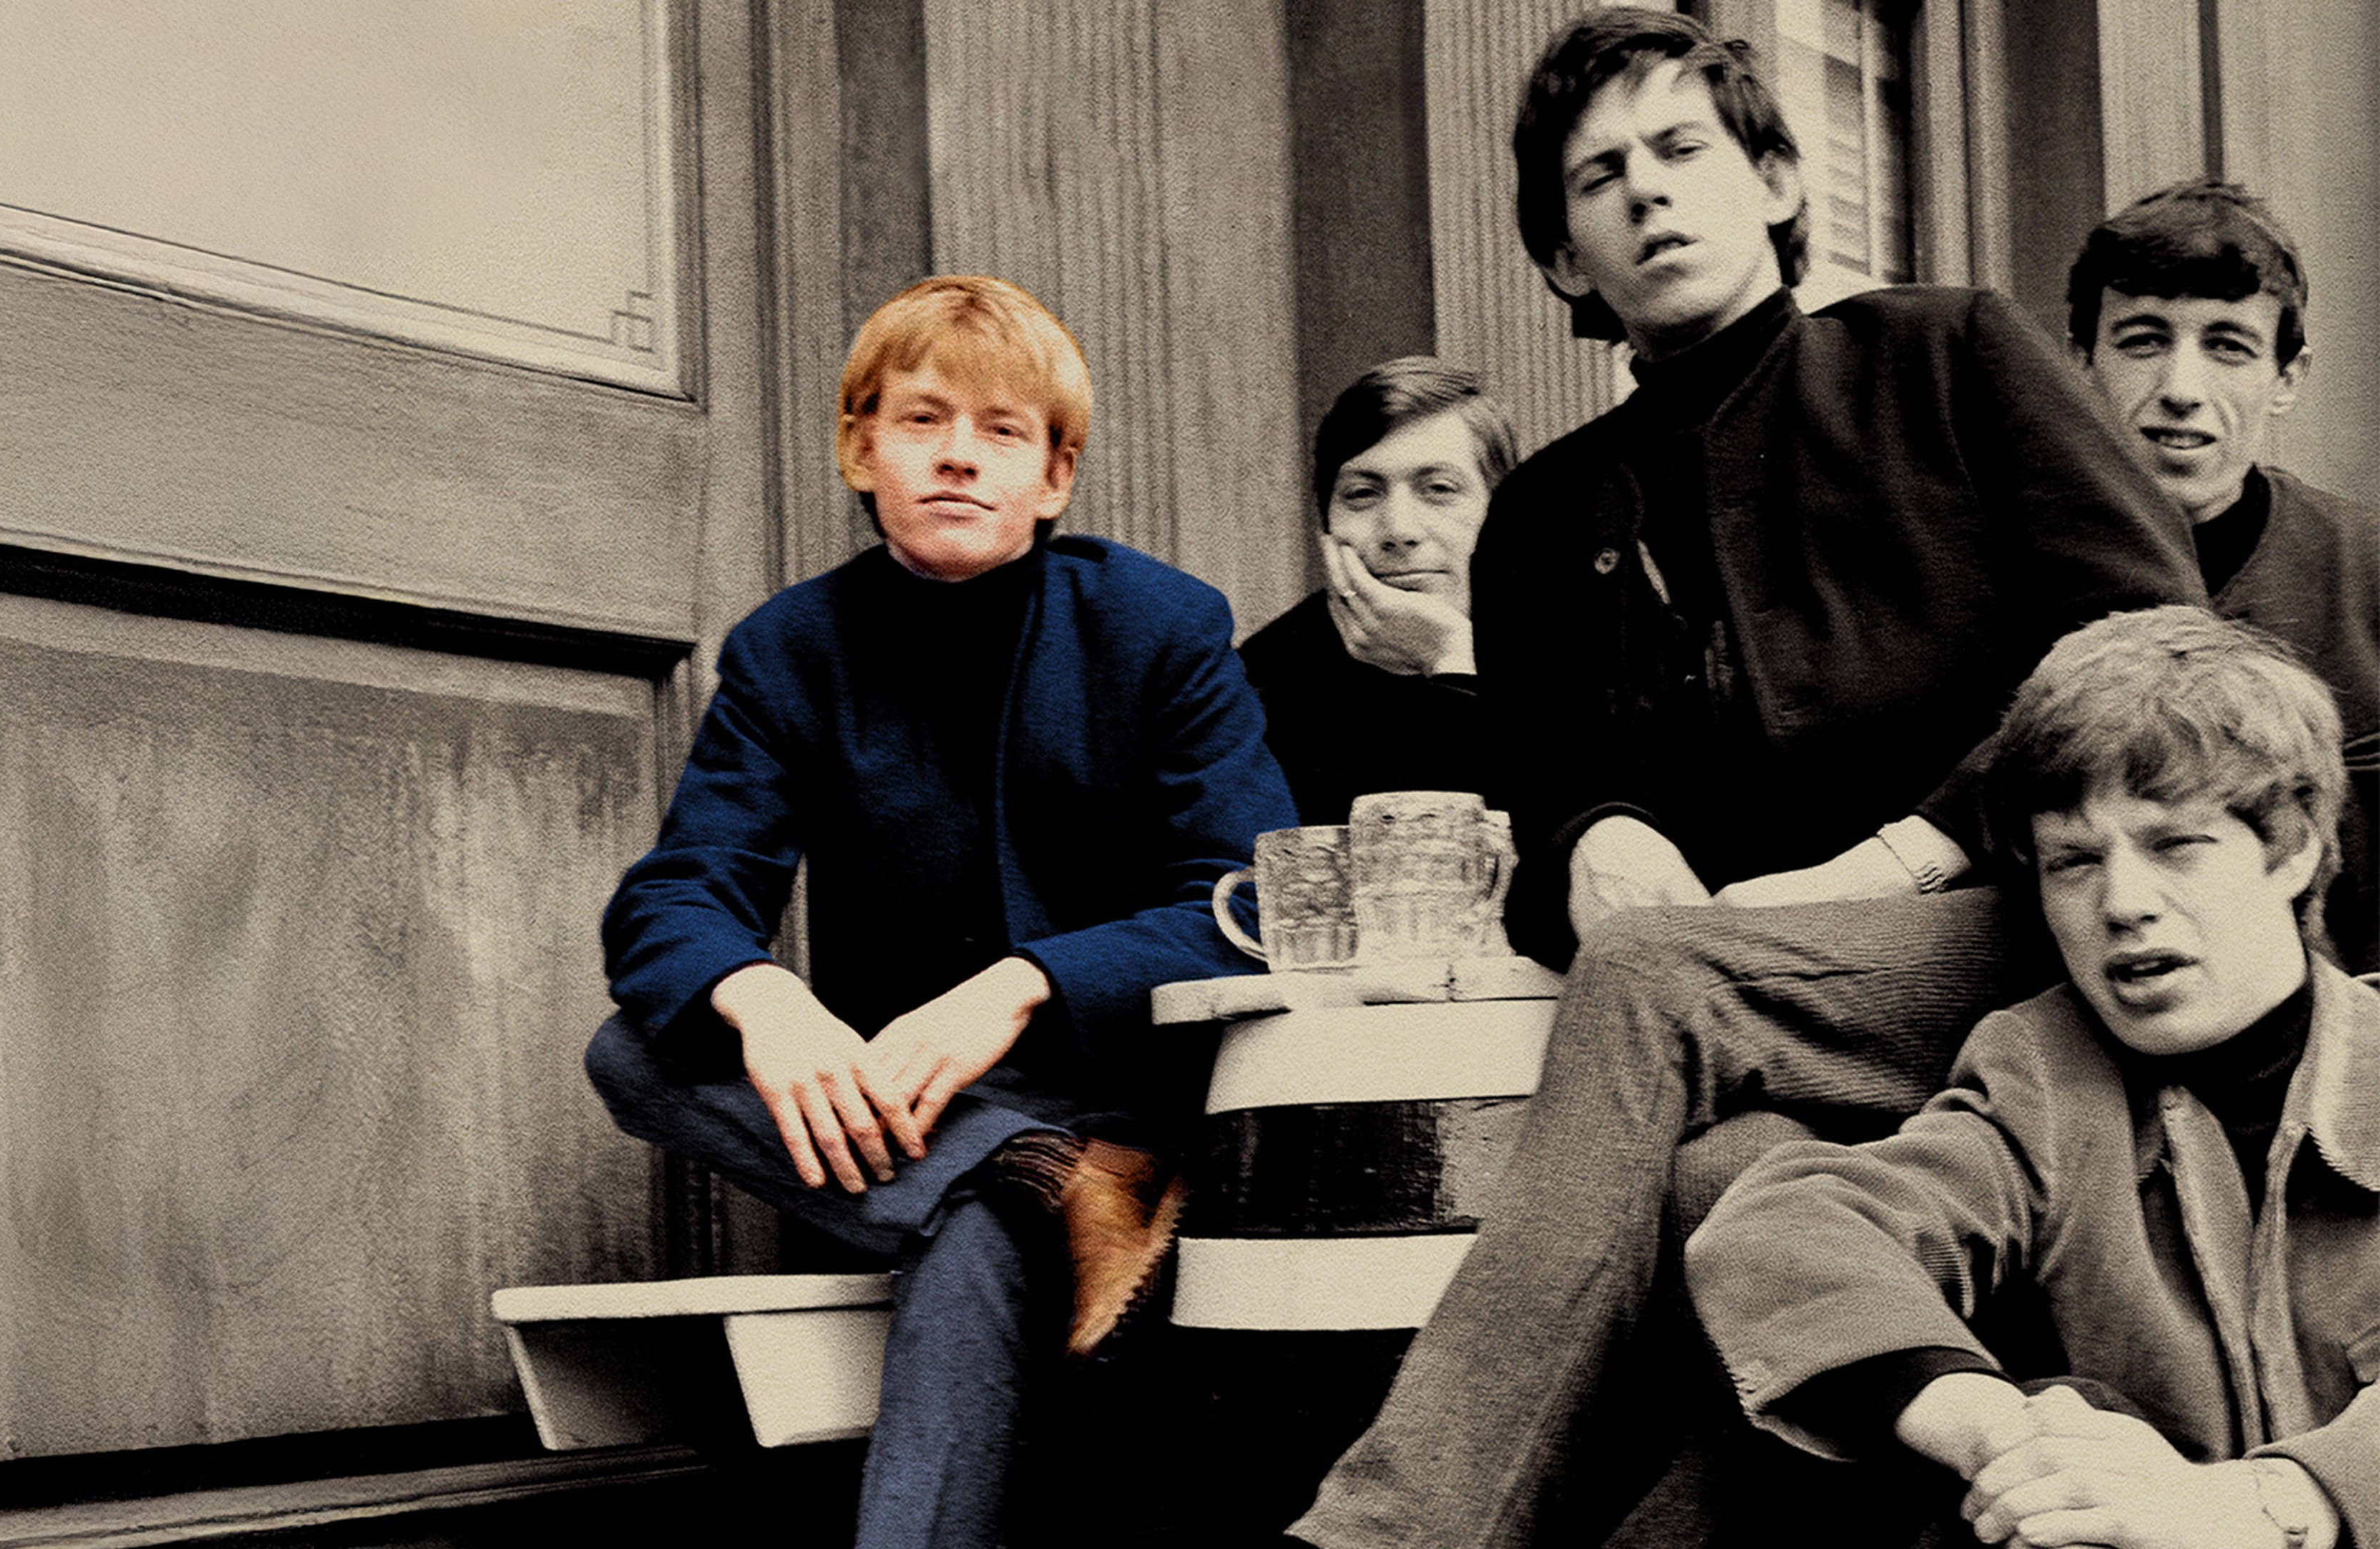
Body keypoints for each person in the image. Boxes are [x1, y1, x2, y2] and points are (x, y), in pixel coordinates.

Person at [1285, 11, 2209, 1548]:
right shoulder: (1544, 518)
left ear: (1777, 183)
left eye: (1682, 149)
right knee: (1726, 1188)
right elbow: (1541, 797)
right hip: (1752, 1035)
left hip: (2011, 934)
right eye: (1600, 177)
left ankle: (1390, 1530)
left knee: (1653, 977)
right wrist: (1590, 836)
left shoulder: (1945, 356)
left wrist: (1912, 849)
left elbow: (2147, 635)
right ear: (1566, 257)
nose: (1647, 190)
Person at [590, 275, 1296, 1549]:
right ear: (862, 449)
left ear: (1056, 475)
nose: (959, 455)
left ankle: (1047, 1173)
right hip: (910, 1118)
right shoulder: (792, 649)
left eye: (1002, 430)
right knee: (637, 1044)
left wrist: (1028, 983)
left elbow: (1248, 907)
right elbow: (680, 894)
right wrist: (762, 997)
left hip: (1119, 1103)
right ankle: (1045, 1179)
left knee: (976, 1234)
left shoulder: (1160, 628)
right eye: (922, 419)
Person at [1688, 605, 2372, 1549]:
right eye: (2073, 862)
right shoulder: (2046, 1070)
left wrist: (2265, 1504)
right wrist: (2011, 1442)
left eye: (2175, 845)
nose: (2123, 903)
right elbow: (1784, 1229)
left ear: (2293, 851)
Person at [2066, 177, 2380, 972]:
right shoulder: (2011, 572)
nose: (2181, 390)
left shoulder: (2364, 567)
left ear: (2287, 378)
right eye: (2142, 341)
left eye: (2228, 346)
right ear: (2080, 364)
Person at [1239, 358, 1522, 825]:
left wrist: (1453, 659)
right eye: (1362, 494)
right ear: (1326, 524)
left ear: (1505, 511)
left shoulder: (1578, 649)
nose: (1399, 531)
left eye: (1439, 489)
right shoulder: (1262, 683)